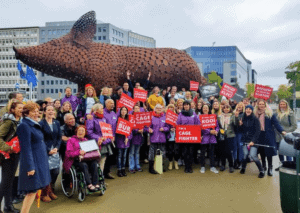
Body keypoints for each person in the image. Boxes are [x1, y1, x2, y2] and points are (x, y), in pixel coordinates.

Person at [17, 102, 51, 213]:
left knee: (34, 190)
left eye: (37, 111)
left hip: (39, 161)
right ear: (26, 113)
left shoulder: (33, 123)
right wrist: (30, 167)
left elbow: (39, 142)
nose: (36, 113)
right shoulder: (24, 125)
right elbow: (25, 148)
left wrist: (48, 151)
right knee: (31, 191)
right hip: (33, 163)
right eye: (33, 111)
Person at [0, 100, 23, 213]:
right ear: (13, 109)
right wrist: (8, 148)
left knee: (9, 181)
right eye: (19, 108)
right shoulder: (9, 122)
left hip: (15, 154)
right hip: (7, 155)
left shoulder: (20, 121)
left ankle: (7, 207)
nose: (21, 110)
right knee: (5, 182)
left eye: (22, 108)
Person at [254, 99, 286, 176]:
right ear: (257, 105)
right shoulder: (255, 114)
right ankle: (264, 166)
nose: (261, 105)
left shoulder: (270, 113)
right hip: (259, 135)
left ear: (265, 105)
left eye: (263, 104)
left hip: (268, 135)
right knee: (261, 151)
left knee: (269, 152)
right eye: (260, 104)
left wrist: (282, 131)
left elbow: (276, 124)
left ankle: (270, 168)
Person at [64, 126, 100, 192]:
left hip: (87, 159)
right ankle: (89, 184)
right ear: (76, 132)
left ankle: (95, 183)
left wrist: (98, 145)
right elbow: (68, 154)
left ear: (85, 133)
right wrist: (78, 152)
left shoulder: (86, 140)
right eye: (79, 130)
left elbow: (93, 151)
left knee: (94, 163)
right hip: (75, 160)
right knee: (84, 165)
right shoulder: (71, 140)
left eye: (82, 131)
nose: (81, 132)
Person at [39, 105, 62, 202]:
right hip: (45, 151)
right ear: (44, 112)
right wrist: (48, 149)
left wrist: (57, 148)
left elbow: (59, 137)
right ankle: (44, 194)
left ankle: (50, 189)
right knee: (46, 172)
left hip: (55, 151)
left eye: (52, 110)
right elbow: (40, 139)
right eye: (48, 110)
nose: (51, 111)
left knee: (55, 171)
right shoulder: (41, 123)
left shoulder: (57, 122)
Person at [86, 103, 112, 176]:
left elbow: (107, 131)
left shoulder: (104, 118)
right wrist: (99, 138)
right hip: (96, 144)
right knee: (95, 163)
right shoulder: (91, 119)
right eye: (101, 108)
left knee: (102, 162)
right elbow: (89, 132)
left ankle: (100, 179)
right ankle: (95, 179)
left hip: (104, 143)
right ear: (96, 110)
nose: (103, 110)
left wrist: (108, 139)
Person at [239, 105, 264, 178]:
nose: (248, 110)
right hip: (244, 140)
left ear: (252, 110)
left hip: (253, 141)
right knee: (245, 154)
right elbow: (241, 131)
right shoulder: (242, 118)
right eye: (247, 109)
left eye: (250, 109)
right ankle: (243, 168)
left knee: (253, 155)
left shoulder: (255, 119)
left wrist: (253, 141)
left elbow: (257, 131)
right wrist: (240, 125)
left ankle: (261, 170)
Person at [176, 101, 201, 173]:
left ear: (189, 106)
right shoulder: (180, 114)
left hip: (192, 137)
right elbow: (178, 124)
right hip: (184, 137)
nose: (186, 106)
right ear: (183, 106)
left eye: (187, 105)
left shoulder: (193, 114)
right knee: (185, 152)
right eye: (185, 105)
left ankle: (190, 167)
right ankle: (186, 167)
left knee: (191, 152)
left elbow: (198, 123)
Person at [274, 99, 297, 171]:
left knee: (287, 151)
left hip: (287, 136)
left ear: (286, 105)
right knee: (280, 152)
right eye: (281, 104)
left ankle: (289, 166)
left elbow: (294, 126)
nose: (282, 106)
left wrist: (285, 132)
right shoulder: (276, 114)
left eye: (284, 104)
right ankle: (282, 164)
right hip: (277, 136)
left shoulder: (290, 113)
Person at [147, 104, 170, 174]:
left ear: (162, 109)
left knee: (162, 153)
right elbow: (147, 126)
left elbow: (168, 127)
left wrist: (164, 129)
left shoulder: (165, 117)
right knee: (152, 154)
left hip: (162, 139)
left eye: (160, 109)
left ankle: (160, 167)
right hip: (154, 138)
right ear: (155, 109)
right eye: (157, 108)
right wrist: (149, 129)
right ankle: (151, 168)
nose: (159, 110)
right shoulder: (151, 117)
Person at [200, 104, 219, 174]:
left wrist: (216, 131)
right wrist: (210, 131)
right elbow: (201, 127)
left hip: (212, 138)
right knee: (203, 153)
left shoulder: (213, 117)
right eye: (204, 108)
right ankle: (202, 166)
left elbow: (217, 126)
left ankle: (212, 166)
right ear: (202, 109)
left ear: (209, 109)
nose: (205, 109)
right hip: (204, 137)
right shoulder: (200, 117)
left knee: (212, 153)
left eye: (206, 108)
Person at [218, 104, 238, 173]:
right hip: (222, 136)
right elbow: (218, 126)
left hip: (230, 136)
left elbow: (236, 125)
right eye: (225, 108)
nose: (226, 109)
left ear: (229, 109)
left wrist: (236, 117)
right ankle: (223, 165)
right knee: (222, 151)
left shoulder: (232, 116)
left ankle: (231, 166)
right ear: (223, 109)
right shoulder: (220, 116)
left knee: (229, 151)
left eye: (227, 108)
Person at [103, 99, 118, 179]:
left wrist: (114, 136)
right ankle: (102, 174)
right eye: (110, 103)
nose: (112, 105)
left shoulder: (114, 113)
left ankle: (107, 172)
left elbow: (115, 126)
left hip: (112, 138)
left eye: (113, 103)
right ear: (106, 104)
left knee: (110, 157)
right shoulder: (102, 113)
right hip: (105, 139)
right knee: (104, 157)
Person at [115, 107, 132, 177]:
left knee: (124, 156)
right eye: (122, 110)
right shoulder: (118, 119)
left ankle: (123, 169)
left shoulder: (129, 120)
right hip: (120, 140)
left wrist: (128, 138)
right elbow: (115, 129)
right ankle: (119, 170)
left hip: (126, 141)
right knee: (119, 156)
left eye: (125, 110)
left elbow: (130, 131)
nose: (123, 111)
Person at [129, 105, 145, 173]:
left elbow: (145, 125)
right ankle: (131, 167)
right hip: (133, 137)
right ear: (133, 109)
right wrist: (136, 131)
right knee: (132, 153)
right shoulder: (131, 117)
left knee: (137, 153)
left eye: (138, 108)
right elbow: (129, 127)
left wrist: (143, 130)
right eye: (135, 108)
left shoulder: (142, 117)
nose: (137, 109)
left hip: (139, 137)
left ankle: (137, 166)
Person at [165, 104, 180, 170]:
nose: (171, 108)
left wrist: (176, 128)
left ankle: (176, 162)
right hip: (169, 136)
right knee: (170, 151)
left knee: (176, 150)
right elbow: (164, 125)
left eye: (172, 107)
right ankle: (170, 162)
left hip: (176, 136)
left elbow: (180, 125)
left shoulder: (177, 116)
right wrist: (169, 129)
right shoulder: (165, 116)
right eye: (169, 107)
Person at [233, 102, 245, 169]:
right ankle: (235, 161)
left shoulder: (244, 115)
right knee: (235, 147)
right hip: (234, 132)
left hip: (240, 133)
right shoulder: (233, 114)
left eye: (241, 106)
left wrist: (242, 124)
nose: (239, 107)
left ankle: (240, 161)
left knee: (240, 148)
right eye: (238, 105)